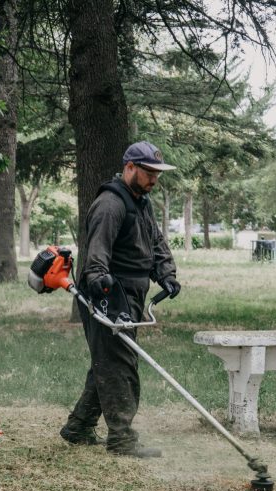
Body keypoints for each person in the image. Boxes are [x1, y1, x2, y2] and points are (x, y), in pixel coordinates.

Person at [59, 141, 181, 458]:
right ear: (130, 168)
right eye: (149, 172)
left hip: (133, 293)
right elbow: (96, 254)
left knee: (109, 361)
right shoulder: (110, 204)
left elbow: (154, 241)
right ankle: (122, 438)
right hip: (110, 294)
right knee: (120, 365)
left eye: (157, 174)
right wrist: (100, 282)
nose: (154, 179)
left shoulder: (141, 202)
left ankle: (79, 427)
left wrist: (165, 274)